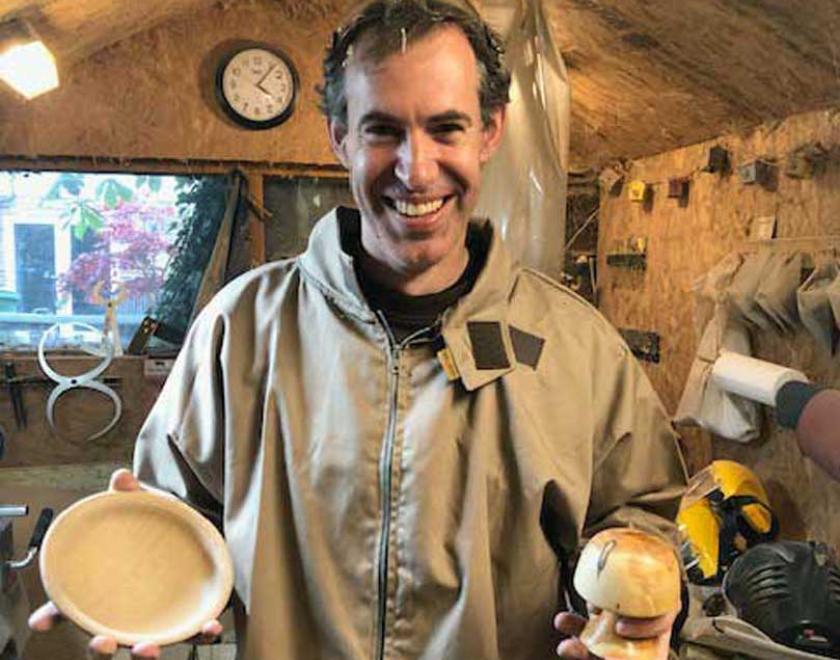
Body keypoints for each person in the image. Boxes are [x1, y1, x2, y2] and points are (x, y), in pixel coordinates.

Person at [30, 1, 688, 658]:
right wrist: (124, 571)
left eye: (446, 128)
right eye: (382, 131)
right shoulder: (242, 329)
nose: (416, 168)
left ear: (491, 131)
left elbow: (638, 527)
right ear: (339, 136)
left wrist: (639, 612)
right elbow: (176, 527)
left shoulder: (580, 349)